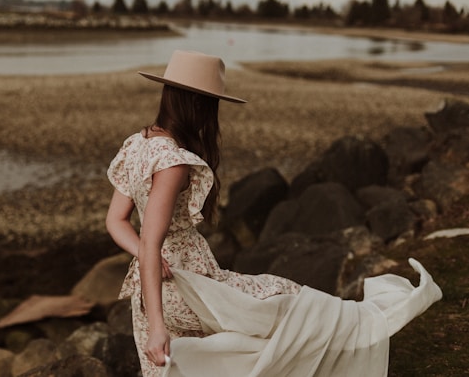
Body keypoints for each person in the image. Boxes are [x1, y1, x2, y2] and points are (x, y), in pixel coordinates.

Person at [106, 50, 442, 377]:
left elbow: (117, 220)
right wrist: (158, 327)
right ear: (196, 104)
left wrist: (145, 261)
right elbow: (151, 242)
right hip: (186, 285)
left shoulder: (137, 144)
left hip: (149, 287)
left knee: (193, 364)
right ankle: (371, 323)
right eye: (212, 105)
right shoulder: (172, 162)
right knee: (295, 306)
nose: (213, 115)